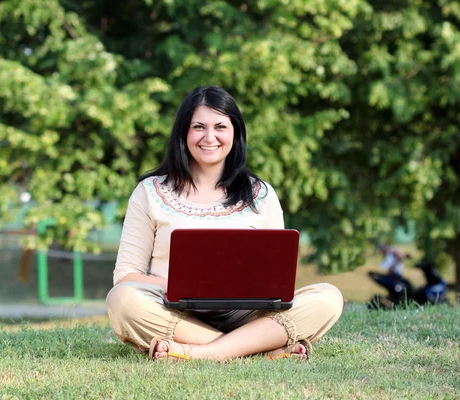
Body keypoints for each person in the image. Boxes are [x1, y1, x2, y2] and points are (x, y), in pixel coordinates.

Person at [106, 85, 344, 362]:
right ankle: (259, 348)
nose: (209, 137)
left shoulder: (262, 194)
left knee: (329, 297)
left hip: (247, 314)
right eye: (198, 127)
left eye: (220, 126)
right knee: (121, 300)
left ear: (235, 133)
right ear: (184, 132)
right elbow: (125, 274)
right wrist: (179, 285)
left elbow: (276, 280)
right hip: (174, 311)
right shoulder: (150, 192)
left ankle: (198, 352)